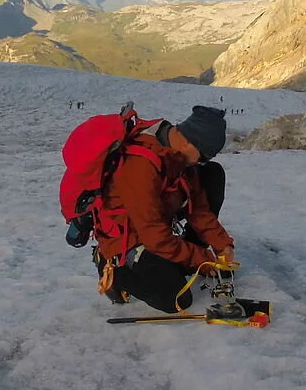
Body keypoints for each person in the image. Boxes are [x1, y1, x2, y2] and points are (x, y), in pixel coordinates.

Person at [93, 105, 236, 313]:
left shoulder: (179, 159)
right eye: (203, 157)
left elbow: (199, 210)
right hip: (128, 239)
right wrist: (202, 258)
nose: (201, 162)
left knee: (212, 175)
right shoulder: (141, 165)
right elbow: (153, 236)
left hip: (155, 228)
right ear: (189, 141)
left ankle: (181, 258)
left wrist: (222, 245)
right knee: (176, 299)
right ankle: (114, 270)